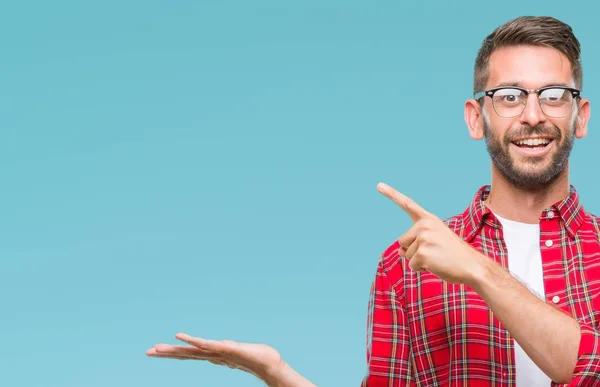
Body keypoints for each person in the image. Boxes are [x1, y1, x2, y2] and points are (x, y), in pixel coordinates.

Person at [146, 15, 600, 386]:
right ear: (475, 119)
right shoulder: (405, 265)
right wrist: (279, 375)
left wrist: (478, 268)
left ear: (580, 117)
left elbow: (587, 368)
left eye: (554, 96)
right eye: (509, 97)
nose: (534, 115)